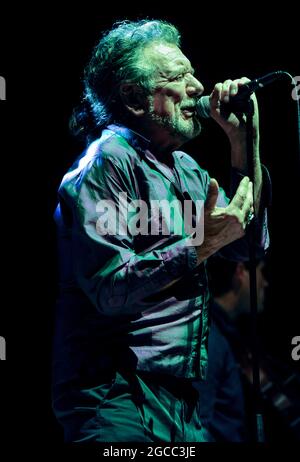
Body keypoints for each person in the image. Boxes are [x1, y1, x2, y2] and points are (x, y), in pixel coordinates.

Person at [52, 19, 271, 442]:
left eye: (192, 74)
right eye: (177, 77)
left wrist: (244, 142)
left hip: (182, 401)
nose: (197, 87)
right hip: (114, 395)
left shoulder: (187, 171)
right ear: (135, 98)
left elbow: (248, 247)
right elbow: (109, 289)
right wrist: (199, 244)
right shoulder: (107, 163)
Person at [195, 256, 268, 442]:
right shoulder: (210, 339)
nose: (265, 283)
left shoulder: (223, 335)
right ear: (240, 272)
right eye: (261, 271)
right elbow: (196, 428)